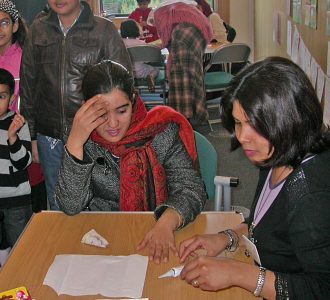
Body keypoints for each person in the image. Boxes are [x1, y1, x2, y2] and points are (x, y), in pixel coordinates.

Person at [178, 57, 330, 299]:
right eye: (238, 123)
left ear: (289, 119)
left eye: (255, 124)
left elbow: (322, 289)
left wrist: (239, 274)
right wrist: (227, 237)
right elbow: (268, 224)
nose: (242, 137)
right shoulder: (276, 153)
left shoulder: (311, 195)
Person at [55, 60, 207, 264]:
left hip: (158, 229)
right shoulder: (81, 136)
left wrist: (166, 223)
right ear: (86, 107)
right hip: (103, 238)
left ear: (133, 100)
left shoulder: (160, 131)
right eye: (101, 114)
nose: (113, 124)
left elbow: (191, 189)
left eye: (122, 110)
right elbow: (71, 206)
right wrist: (74, 144)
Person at [20, 0, 131, 210]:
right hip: (49, 137)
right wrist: (32, 136)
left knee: (99, 199)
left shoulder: (103, 30)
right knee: (57, 200)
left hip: (95, 135)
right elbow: (28, 85)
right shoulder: (37, 30)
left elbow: (123, 85)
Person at [0, 0, 47, 214]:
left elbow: (37, 100)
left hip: (22, 136)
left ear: (15, 25)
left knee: (28, 203)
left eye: (4, 23)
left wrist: (34, 138)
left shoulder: (27, 56)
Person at [151, 0, 212, 133]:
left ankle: (184, 124)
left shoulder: (174, 25)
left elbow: (168, 40)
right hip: (193, 50)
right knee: (194, 81)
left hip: (182, 56)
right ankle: (193, 121)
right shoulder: (191, 19)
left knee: (182, 86)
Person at [0, 68, 32, 266]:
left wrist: (12, 138)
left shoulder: (18, 123)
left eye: (1, 96)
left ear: (11, 99)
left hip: (16, 200)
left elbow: (23, 162)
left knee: (21, 247)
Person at [120, 19, 160, 92]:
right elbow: (149, 60)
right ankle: (151, 76)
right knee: (156, 69)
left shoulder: (119, 43)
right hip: (140, 72)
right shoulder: (141, 43)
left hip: (124, 74)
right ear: (136, 29)